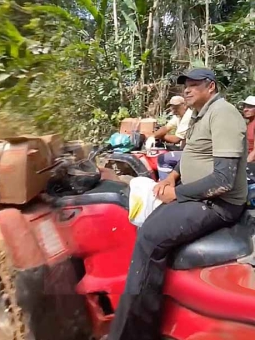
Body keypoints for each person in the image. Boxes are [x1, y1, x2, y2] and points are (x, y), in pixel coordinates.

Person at [102, 68, 247, 340]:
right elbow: (191, 153)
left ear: (211, 87)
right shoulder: (200, 115)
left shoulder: (224, 114)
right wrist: (172, 178)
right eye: (185, 86)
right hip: (199, 194)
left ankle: (133, 332)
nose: (187, 90)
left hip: (219, 203)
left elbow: (224, 180)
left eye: (194, 85)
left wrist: (178, 195)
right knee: (149, 220)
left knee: (151, 236)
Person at [241, 96, 255, 162]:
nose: (245, 109)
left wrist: (245, 165)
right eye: (244, 106)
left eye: (249, 107)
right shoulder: (249, 123)